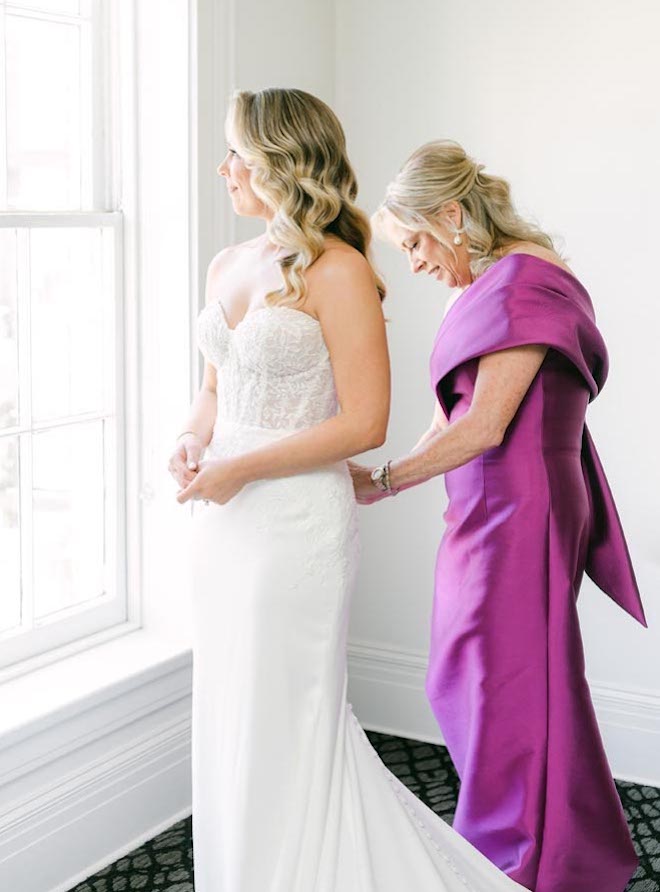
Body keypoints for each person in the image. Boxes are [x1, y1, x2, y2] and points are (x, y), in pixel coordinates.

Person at [168, 90, 532, 892]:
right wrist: (194, 441)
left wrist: (238, 469)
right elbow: (213, 395)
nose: (223, 167)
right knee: (232, 706)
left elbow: (365, 423)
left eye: (235, 152)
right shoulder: (226, 264)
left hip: (294, 525)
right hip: (222, 527)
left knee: (286, 713)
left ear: (277, 163)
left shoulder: (340, 270)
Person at [349, 138, 647, 892]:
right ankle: (541, 844)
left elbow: (484, 427)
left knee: (507, 684)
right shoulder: (491, 280)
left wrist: (382, 481)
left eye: (414, 241)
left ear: (451, 215)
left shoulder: (522, 285)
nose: (411, 261)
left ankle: (529, 859)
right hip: (490, 506)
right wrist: (388, 473)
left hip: (524, 510)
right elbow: (454, 411)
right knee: (477, 676)